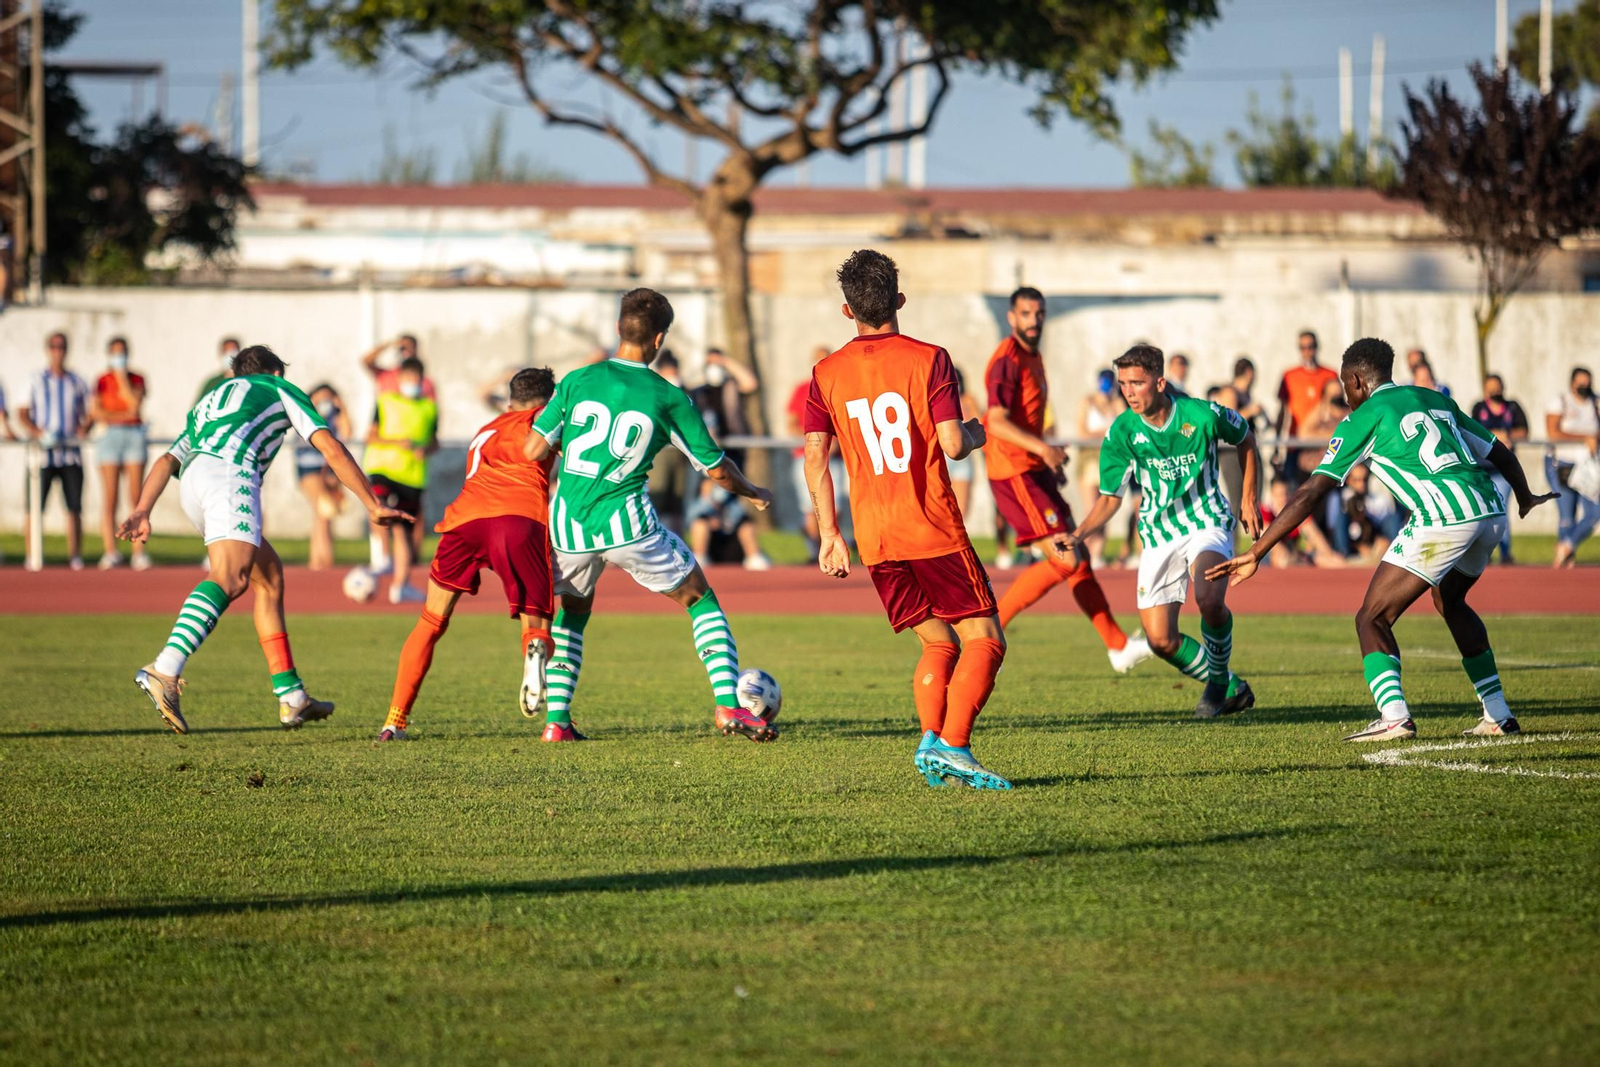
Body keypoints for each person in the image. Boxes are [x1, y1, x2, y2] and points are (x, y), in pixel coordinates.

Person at [1208, 338, 1556, 742]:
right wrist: (1525, 495)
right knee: (1451, 600)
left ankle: (1394, 717)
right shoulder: (1432, 397)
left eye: (1344, 384)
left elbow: (1311, 491)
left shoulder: (1364, 416)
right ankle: (1498, 714)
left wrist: (1257, 550)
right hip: (1490, 509)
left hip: (1444, 516)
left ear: (1357, 380)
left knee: (1371, 617)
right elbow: (1498, 450)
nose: (1344, 393)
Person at [524, 288, 778, 743]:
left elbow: (533, 448)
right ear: (658, 338)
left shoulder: (577, 381)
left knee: (574, 614)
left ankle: (557, 722)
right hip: (627, 524)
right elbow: (716, 468)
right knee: (701, 599)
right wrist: (753, 491)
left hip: (568, 524)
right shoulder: (668, 396)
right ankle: (727, 705)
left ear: (619, 329)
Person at [118, 345, 411, 734]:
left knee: (268, 578)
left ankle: (292, 697)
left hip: (194, 480)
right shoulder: (276, 388)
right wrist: (371, 504)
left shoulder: (210, 401)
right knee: (230, 576)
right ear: (275, 373)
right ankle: (165, 668)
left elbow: (167, 461)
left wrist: (142, 508)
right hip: (230, 474)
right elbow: (330, 447)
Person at [803, 250, 1008, 789]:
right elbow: (953, 444)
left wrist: (830, 534)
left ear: (848, 311)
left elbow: (814, 456)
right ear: (898, 299)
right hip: (931, 527)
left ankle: (929, 744)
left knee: (939, 643)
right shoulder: (930, 358)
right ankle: (956, 747)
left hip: (875, 538)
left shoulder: (825, 372)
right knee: (985, 640)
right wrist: (982, 430)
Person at [1060, 343, 1263, 719]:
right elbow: (1109, 497)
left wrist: (1248, 497)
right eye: (1123, 384)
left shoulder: (1201, 414)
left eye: (1137, 383)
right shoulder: (1121, 431)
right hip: (1157, 533)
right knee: (1160, 640)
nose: (1128, 392)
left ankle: (1217, 681)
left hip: (1207, 520)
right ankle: (1233, 686)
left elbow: (1245, 437)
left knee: (1209, 597)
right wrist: (1079, 534)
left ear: (1160, 382)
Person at [380, 368, 560, 742]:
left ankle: (394, 722)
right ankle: (534, 654)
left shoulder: (486, 429)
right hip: (518, 519)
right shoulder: (548, 418)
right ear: (548, 400)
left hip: (464, 521)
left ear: (510, 402)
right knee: (537, 622)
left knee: (431, 621)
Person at [982, 287, 1148, 672]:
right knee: (1066, 556)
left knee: (1079, 555)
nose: (1034, 320)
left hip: (1033, 468)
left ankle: (1118, 645)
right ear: (1012, 317)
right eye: (1026, 313)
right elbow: (996, 421)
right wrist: (1042, 451)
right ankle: (988, 636)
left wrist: (1047, 458)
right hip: (1013, 471)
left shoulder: (1033, 356)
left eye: (1039, 313)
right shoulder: (1006, 360)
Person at [363, 357, 439, 603]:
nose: (412, 383)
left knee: (404, 532)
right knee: (378, 507)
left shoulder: (430, 407)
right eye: (408, 379)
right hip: (383, 468)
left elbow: (435, 441)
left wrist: (425, 450)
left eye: (416, 379)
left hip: (412, 476)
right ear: (400, 379)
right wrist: (397, 443)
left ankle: (401, 586)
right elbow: (370, 436)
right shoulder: (385, 402)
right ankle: (381, 558)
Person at [687, 347, 771, 568]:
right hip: (706, 457)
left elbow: (750, 383)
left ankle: (753, 554)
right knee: (705, 507)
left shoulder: (731, 386)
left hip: (733, 456)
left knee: (735, 507)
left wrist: (725, 362)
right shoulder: (698, 392)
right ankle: (700, 554)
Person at [19, 332, 91, 570]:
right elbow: (23, 413)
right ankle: (32, 556)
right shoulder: (35, 380)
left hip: (70, 454)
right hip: (41, 456)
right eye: (53, 346)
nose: (57, 351)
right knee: (34, 507)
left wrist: (81, 431)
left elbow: (89, 414)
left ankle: (75, 556)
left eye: (61, 346)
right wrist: (39, 434)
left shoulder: (76, 381)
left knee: (74, 507)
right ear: (47, 349)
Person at [90, 336, 151, 571]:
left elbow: (135, 406)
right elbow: (98, 413)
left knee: (136, 496)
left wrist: (122, 379)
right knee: (110, 497)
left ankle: (138, 552)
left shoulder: (137, 378)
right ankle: (111, 551)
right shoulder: (101, 380)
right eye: (115, 352)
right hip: (110, 437)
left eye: (122, 351)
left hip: (133, 435)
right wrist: (120, 415)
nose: (119, 356)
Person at [1545, 365, 1600, 568]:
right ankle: (1566, 563)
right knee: (1567, 516)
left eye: (1588, 382)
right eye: (1581, 382)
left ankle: (1567, 545)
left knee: (1594, 512)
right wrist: (1584, 438)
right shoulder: (1561, 402)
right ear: (1572, 383)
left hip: (1587, 465)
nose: (1585, 386)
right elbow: (1553, 433)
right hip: (1562, 463)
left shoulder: (1594, 403)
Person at [1471, 374, 1529, 564]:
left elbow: (1524, 430)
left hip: (1503, 470)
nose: (1494, 391)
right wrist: (1492, 435)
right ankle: (1483, 553)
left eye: (1497, 387)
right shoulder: (1479, 408)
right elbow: (1472, 429)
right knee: (1481, 510)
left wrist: (1508, 435)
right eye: (1490, 387)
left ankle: (1505, 553)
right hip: (1482, 468)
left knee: (1501, 508)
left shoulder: (1512, 407)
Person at [293, 383, 352, 571]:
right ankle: (325, 562)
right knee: (323, 511)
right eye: (321, 397)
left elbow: (348, 432)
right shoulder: (305, 415)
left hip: (328, 471)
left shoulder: (334, 417)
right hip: (308, 470)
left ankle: (317, 562)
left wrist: (341, 406)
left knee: (324, 515)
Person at [1273, 330, 1339, 489]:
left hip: (1321, 443)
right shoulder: (1289, 375)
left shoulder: (1329, 374)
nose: (1307, 351)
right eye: (1303, 347)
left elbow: (1338, 408)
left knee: (1322, 490)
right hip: (1296, 443)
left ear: (1317, 347)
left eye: (1310, 347)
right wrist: (1276, 446)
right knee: (1294, 491)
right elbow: (1282, 411)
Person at [1076, 369, 1123, 567]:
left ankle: (1097, 553)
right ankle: (1084, 550)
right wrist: (1104, 433)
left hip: (1110, 460)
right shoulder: (1087, 402)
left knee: (1106, 505)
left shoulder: (1117, 403)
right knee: (1091, 508)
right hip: (1089, 460)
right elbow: (1082, 432)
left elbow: (1123, 427)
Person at [646, 350, 691, 532]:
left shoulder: (685, 392)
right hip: (659, 452)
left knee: (677, 504)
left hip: (680, 453)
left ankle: (679, 545)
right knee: (656, 499)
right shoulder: (652, 390)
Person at [361, 334, 437, 398]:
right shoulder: (387, 375)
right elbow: (366, 361)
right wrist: (388, 344)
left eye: (410, 348)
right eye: (403, 348)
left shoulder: (425, 382)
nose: (406, 352)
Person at [195, 337, 239, 403]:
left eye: (233, 351)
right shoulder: (213, 383)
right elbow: (197, 409)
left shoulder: (248, 381)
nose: (230, 355)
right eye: (226, 352)